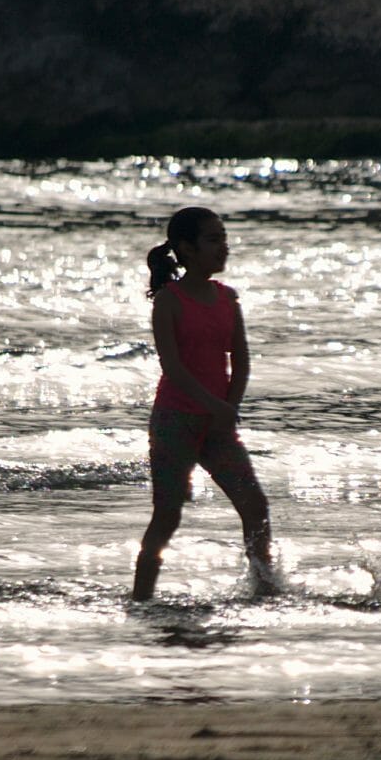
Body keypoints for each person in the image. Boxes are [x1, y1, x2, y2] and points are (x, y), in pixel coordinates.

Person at [133, 204, 279, 602]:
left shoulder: (227, 298)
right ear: (187, 248)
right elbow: (174, 368)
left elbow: (242, 360)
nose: (223, 247)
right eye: (213, 240)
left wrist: (227, 409)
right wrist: (215, 406)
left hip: (218, 425)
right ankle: (141, 599)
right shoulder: (169, 300)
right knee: (168, 515)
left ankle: (264, 587)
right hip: (175, 421)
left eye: (224, 238)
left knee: (255, 505)